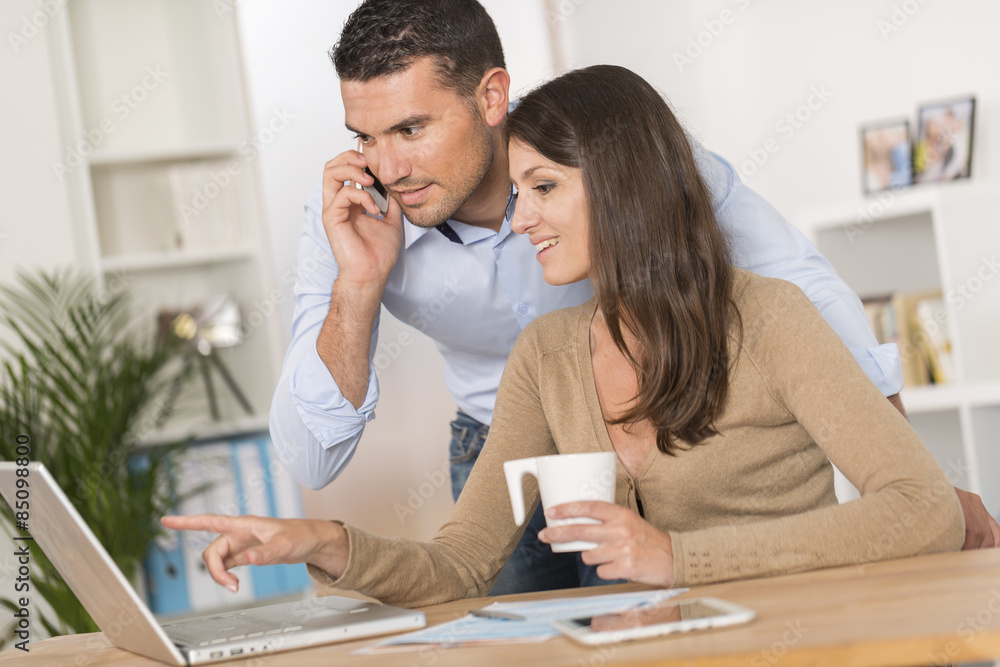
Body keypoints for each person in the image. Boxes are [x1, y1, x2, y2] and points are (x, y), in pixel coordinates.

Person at [268, 0, 998, 597]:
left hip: (678, 427)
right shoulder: (356, 217)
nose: (388, 166)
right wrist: (358, 287)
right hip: (504, 435)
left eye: (411, 128)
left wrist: (907, 472)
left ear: (490, 97)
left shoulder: (732, 272)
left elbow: (801, 288)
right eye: (366, 137)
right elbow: (366, 499)